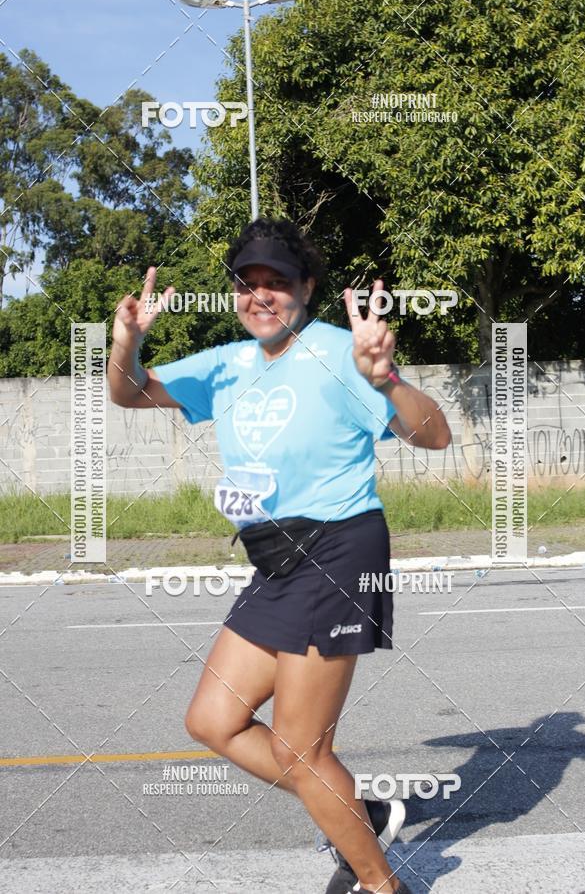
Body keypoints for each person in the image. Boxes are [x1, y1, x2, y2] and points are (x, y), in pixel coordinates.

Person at [108, 218, 451, 894]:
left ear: (308, 289)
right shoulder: (228, 363)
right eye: (247, 283)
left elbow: (433, 436)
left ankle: (380, 885)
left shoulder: (336, 352)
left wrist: (384, 382)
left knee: (301, 749)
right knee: (211, 720)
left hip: (339, 547)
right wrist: (128, 341)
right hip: (274, 560)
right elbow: (128, 391)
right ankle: (356, 812)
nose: (260, 295)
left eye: (278, 283)